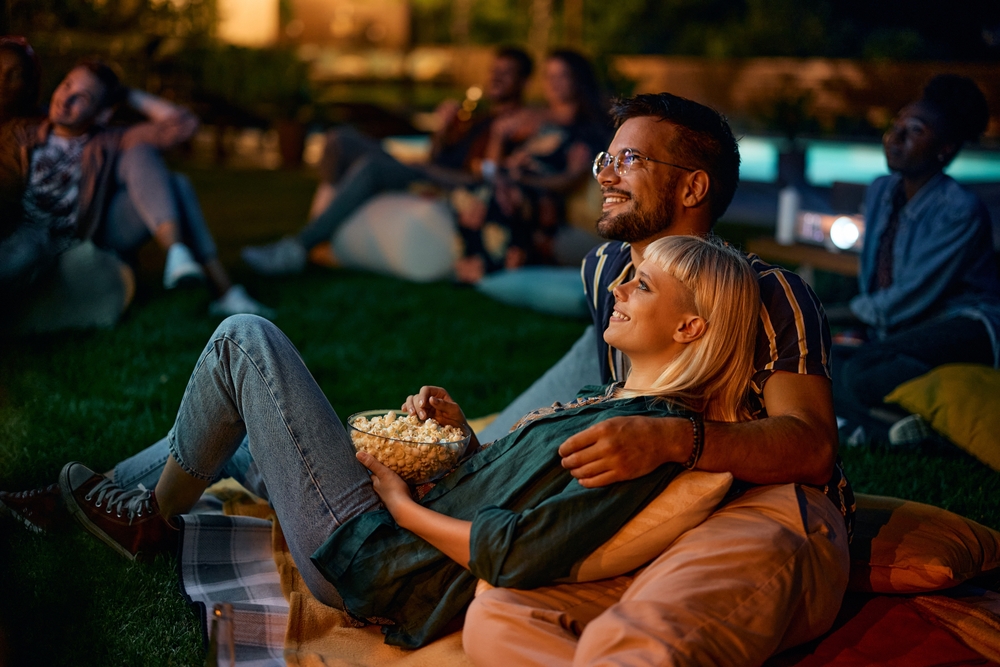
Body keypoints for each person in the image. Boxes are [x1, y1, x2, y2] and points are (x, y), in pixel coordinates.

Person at [3, 234, 761, 650]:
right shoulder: (615, 402)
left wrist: (398, 502)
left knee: (245, 341)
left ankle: (145, 518)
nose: (618, 290)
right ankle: (120, 501)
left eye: (642, 287)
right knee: (239, 430)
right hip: (389, 533)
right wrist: (460, 438)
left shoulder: (636, 435)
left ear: (691, 328)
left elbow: (515, 550)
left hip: (379, 561)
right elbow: (510, 488)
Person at [460, 93, 853, 666]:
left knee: (644, 639)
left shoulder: (772, 293)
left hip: (759, 509)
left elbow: (813, 446)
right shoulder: (605, 271)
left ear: (694, 189)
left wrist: (675, 440)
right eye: (606, 159)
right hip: (649, 509)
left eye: (630, 161)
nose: (606, 175)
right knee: (497, 615)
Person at [0, 59, 271, 319]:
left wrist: (126, 93)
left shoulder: (108, 140)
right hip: (32, 231)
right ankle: (220, 288)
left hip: (84, 240)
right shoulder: (26, 130)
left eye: (82, 98)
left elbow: (183, 125)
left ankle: (178, 253)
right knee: (179, 185)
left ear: (102, 113)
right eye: (67, 85)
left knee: (141, 151)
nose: (66, 98)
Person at [240, 47, 535, 276]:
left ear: (523, 81)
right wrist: (442, 129)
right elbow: (435, 155)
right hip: (425, 169)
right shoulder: (479, 119)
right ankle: (315, 233)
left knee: (373, 168)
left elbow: (489, 179)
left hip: (448, 184)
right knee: (339, 140)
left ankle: (298, 248)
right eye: (493, 70)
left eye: (506, 72)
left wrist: (492, 141)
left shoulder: (520, 124)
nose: (496, 77)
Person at [832, 74, 1000, 446]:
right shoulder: (881, 191)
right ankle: (892, 429)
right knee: (825, 359)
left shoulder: (959, 210)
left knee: (861, 368)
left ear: (945, 149)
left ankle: (877, 428)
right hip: (903, 329)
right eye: (897, 126)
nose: (897, 136)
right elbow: (875, 280)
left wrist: (827, 313)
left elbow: (910, 296)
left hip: (964, 325)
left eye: (916, 130)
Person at [454, 49, 609, 282]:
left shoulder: (586, 130)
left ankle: (493, 269)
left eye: (562, 76)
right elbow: (493, 167)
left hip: (542, 195)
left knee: (506, 197)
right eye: (549, 76)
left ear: (577, 80)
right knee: (469, 193)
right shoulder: (534, 120)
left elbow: (569, 180)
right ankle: (479, 265)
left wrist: (521, 180)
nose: (553, 83)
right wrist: (499, 139)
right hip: (510, 182)